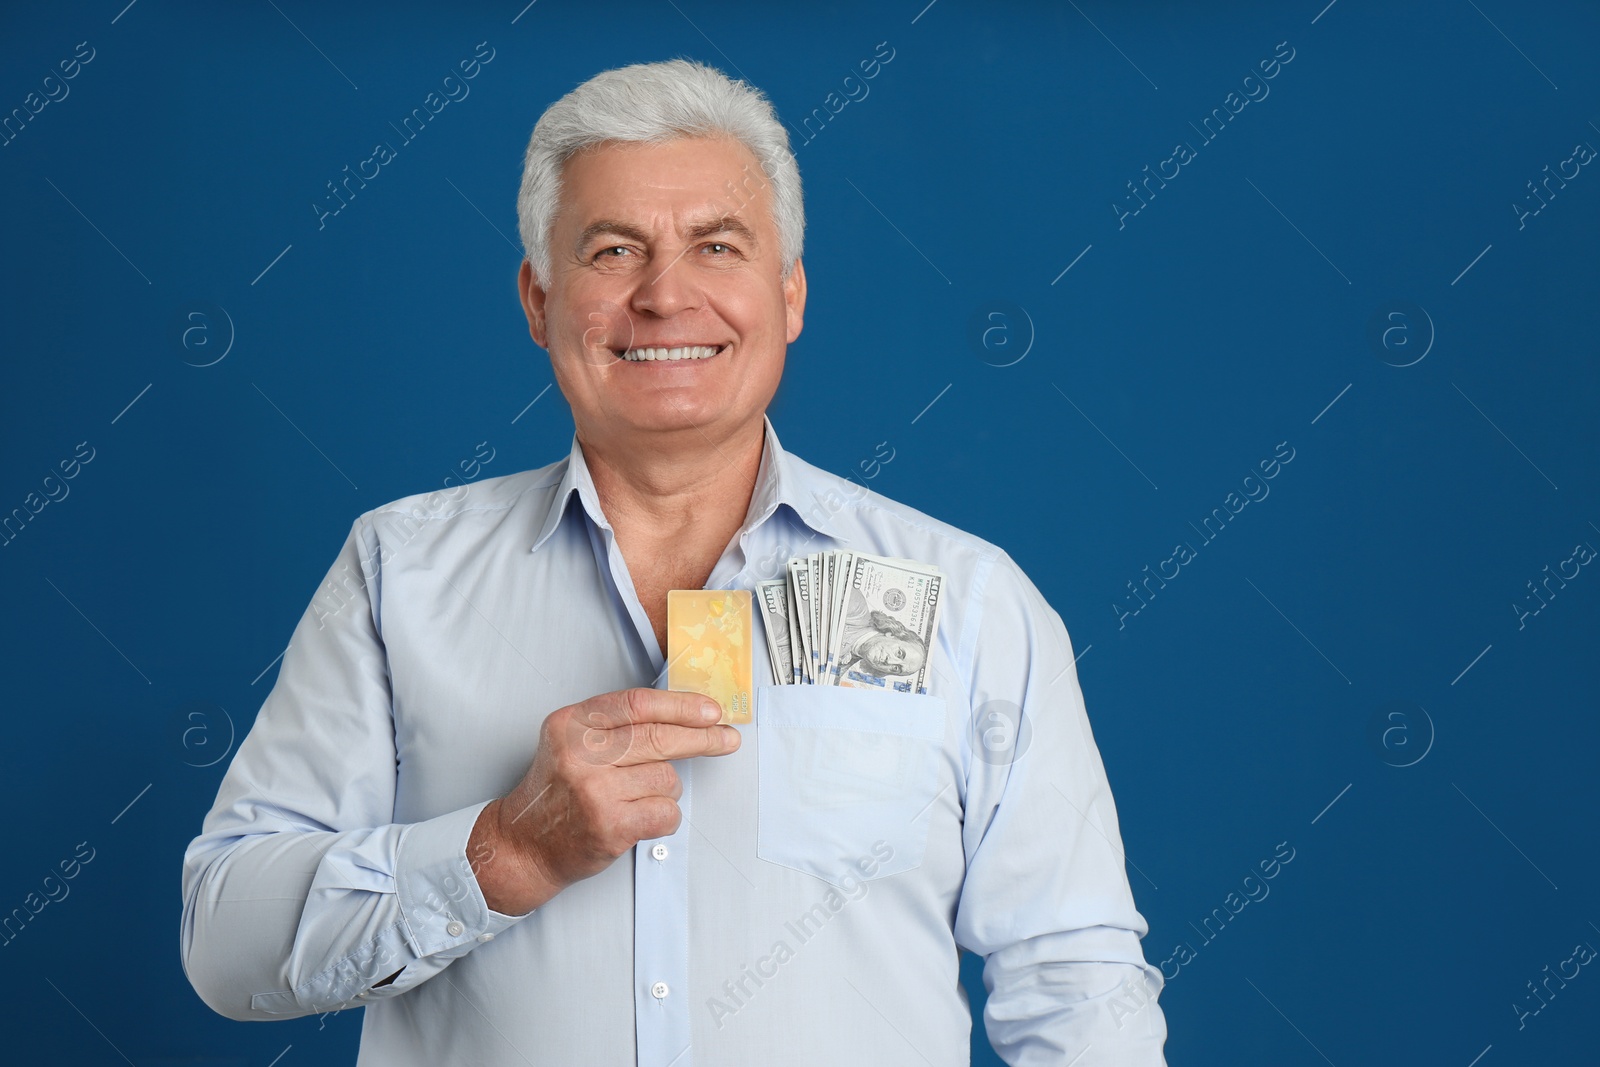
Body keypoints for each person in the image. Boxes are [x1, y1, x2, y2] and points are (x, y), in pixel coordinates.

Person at [180, 58, 1169, 1066]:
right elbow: (226, 941)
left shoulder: (965, 599)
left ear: (788, 295)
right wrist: (501, 853)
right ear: (538, 299)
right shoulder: (400, 572)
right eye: (613, 250)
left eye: (716, 245)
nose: (665, 294)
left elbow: (1079, 989)